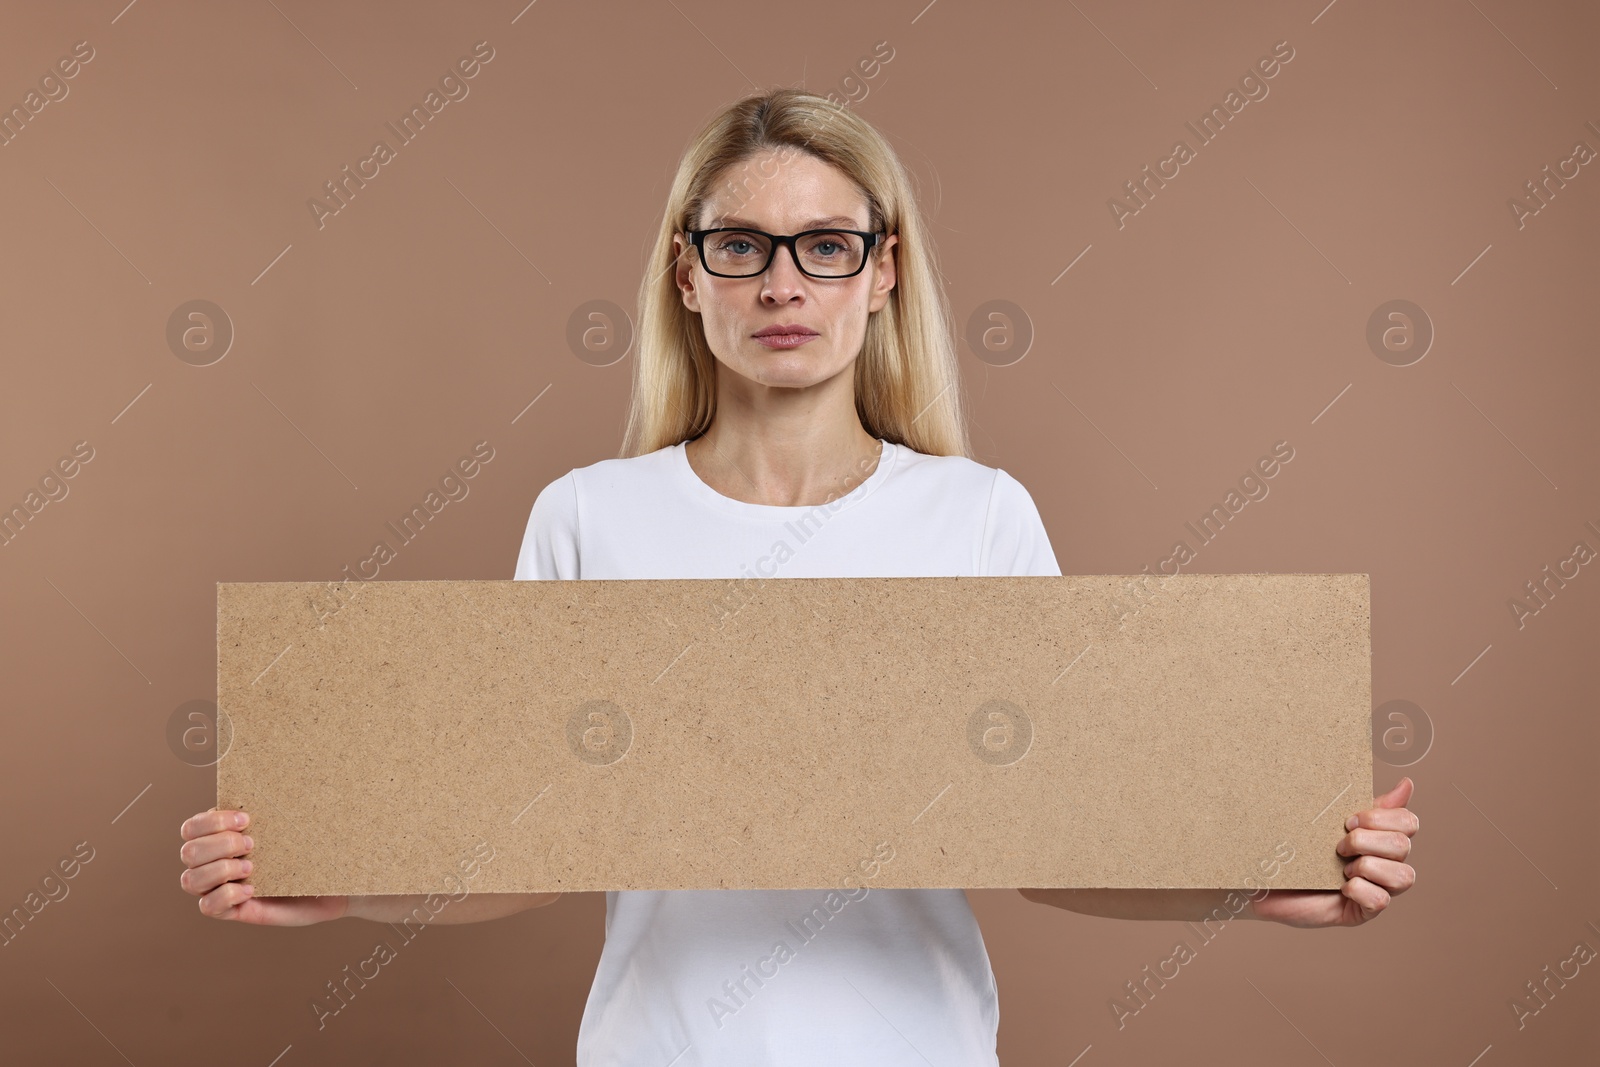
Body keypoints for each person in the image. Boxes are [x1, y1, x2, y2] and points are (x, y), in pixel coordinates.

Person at [179, 87, 1419, 1063]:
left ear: (882, 274)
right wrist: (339, 880)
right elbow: (530, 848)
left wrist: (1253, 879)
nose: (781, 282)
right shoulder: (588, 518)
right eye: (741, 246)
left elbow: (1054, 839)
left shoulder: (978, 516)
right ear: (685, 273)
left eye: (825, 245)